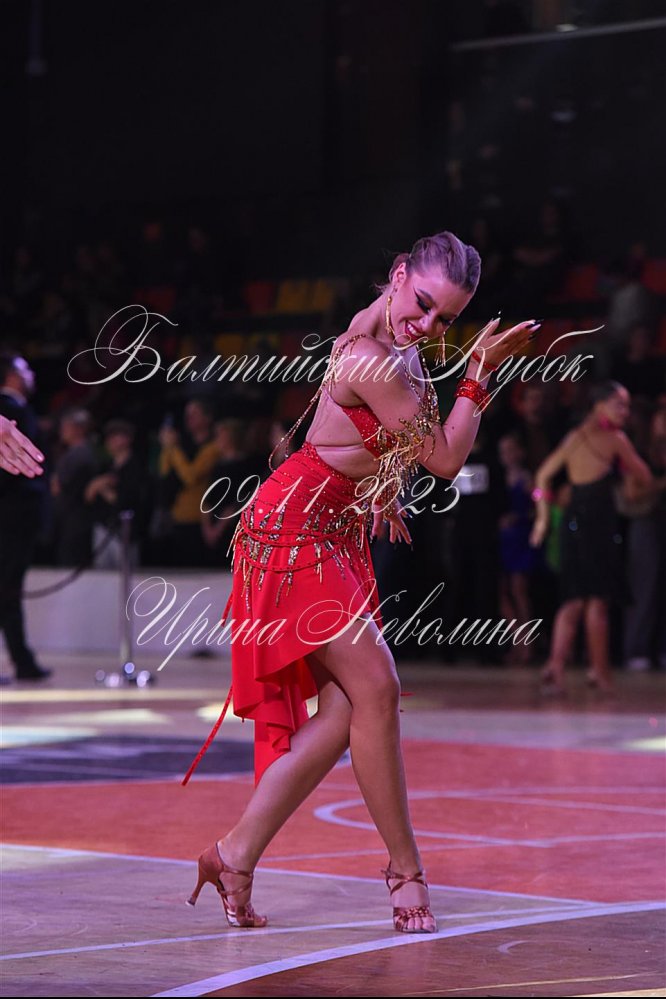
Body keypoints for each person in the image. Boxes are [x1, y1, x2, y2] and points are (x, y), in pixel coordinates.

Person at [181, 232, 539, 934]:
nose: (428, 324)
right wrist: (477, 374)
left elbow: (357, 431)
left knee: (349, 710)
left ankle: (234, 855)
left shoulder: (383, 332)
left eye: (446, 318)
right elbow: (444, 457)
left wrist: (381, 483)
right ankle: (406, 871)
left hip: (333, 531)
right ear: (399, 274)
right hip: (293, 532)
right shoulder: (372, 354)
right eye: (423, 303)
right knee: (378, 687)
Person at [530, 382, 653, 695]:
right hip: (597, 525)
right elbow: (645, 477)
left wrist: (543, 518)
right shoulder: (615, 439)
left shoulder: (574, 437)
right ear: (600, 405)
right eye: (619, 404)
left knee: (573, 600)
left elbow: (542, 477)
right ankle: (599, 672)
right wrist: (625, 476)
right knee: (597, 602)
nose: (625, 411)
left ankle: (555, 667)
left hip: (572, 523)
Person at [0, 353, 51, 682]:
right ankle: (23, 660)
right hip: (11, 517)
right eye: (24, 369)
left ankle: (23, 660)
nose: (30, 374)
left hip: (14, 517)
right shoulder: (11, 408)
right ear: (11, 375)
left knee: (8, 590)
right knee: (7, 589)